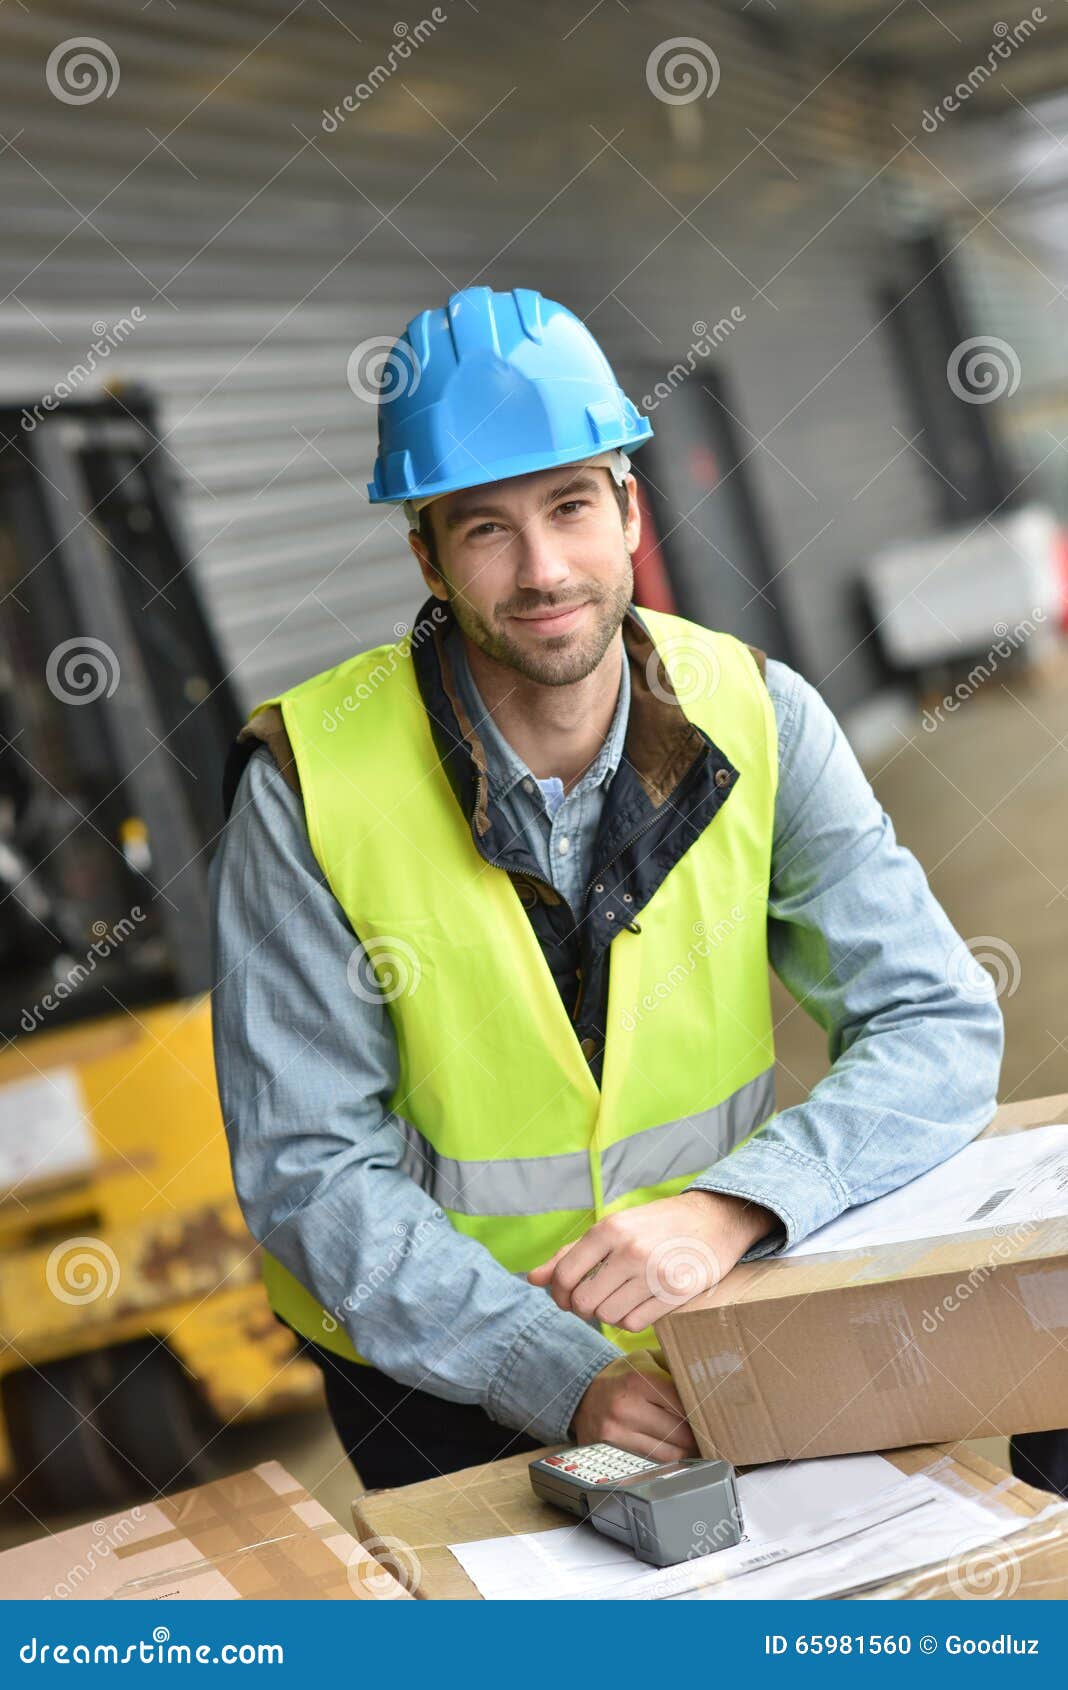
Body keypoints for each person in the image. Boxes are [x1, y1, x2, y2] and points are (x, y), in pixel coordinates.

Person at [210, 285, 1005, 1491]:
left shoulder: (762, 715)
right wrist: (557, 1369)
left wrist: (734, 1208)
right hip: (442, 1390)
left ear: (629, 506)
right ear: (423, 552)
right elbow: (309, 1169)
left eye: (572, 505)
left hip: (727, 1321)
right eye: (484, 529)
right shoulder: (307, 781)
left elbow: (936, 1021)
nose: (543, 571)